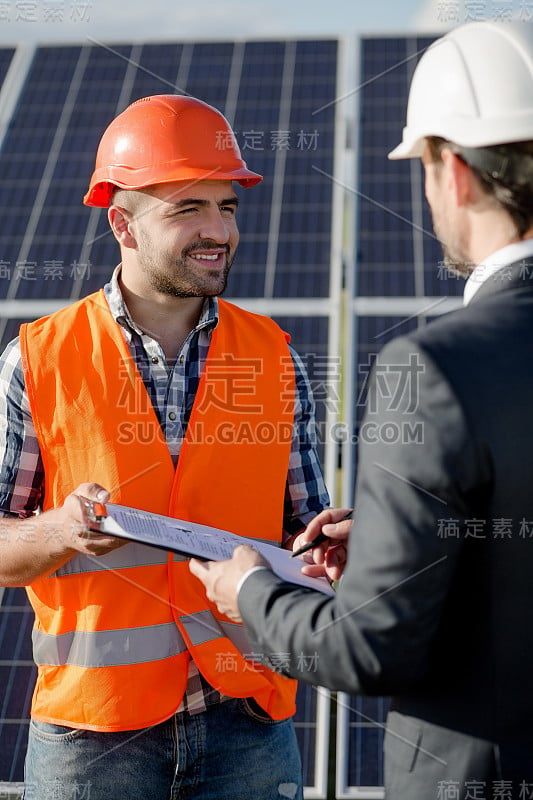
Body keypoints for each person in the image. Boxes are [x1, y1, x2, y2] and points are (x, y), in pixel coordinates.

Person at [191, 20, 533, 798]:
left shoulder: (436, 365)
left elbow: (373, 647)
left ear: (453, 173)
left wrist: (249, 591)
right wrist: (395, 538)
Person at [0, 94, 330, 800]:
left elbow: (306, 544)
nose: (218, 231)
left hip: (248, 723)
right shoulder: (38, 359)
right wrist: (59, 530)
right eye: (188, 209)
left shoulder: (274, 358)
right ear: (122, 223)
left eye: (227, 207)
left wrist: (334, 556)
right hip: (93, 736)